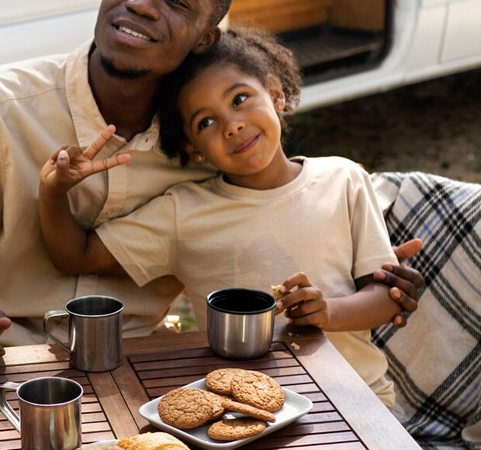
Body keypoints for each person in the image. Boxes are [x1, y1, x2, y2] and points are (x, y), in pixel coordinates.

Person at [0, 0, 425, 368]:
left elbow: (275, 206)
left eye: (175, 1)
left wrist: (371, 284)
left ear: (204, 38)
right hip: (1, 355)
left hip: (139, 364)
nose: (141, 5)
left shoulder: (203, 144)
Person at [38, 26, 402, 405]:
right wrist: (53, 191)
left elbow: (386, 295)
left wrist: (328, 312)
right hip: (238, 411)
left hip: (360, 398)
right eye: (205, 123)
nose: (233, 125)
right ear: (193, 149)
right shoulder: (182, 212)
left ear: (275, 93)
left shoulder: (343, 179)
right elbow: (74, 256)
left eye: (240, 98)